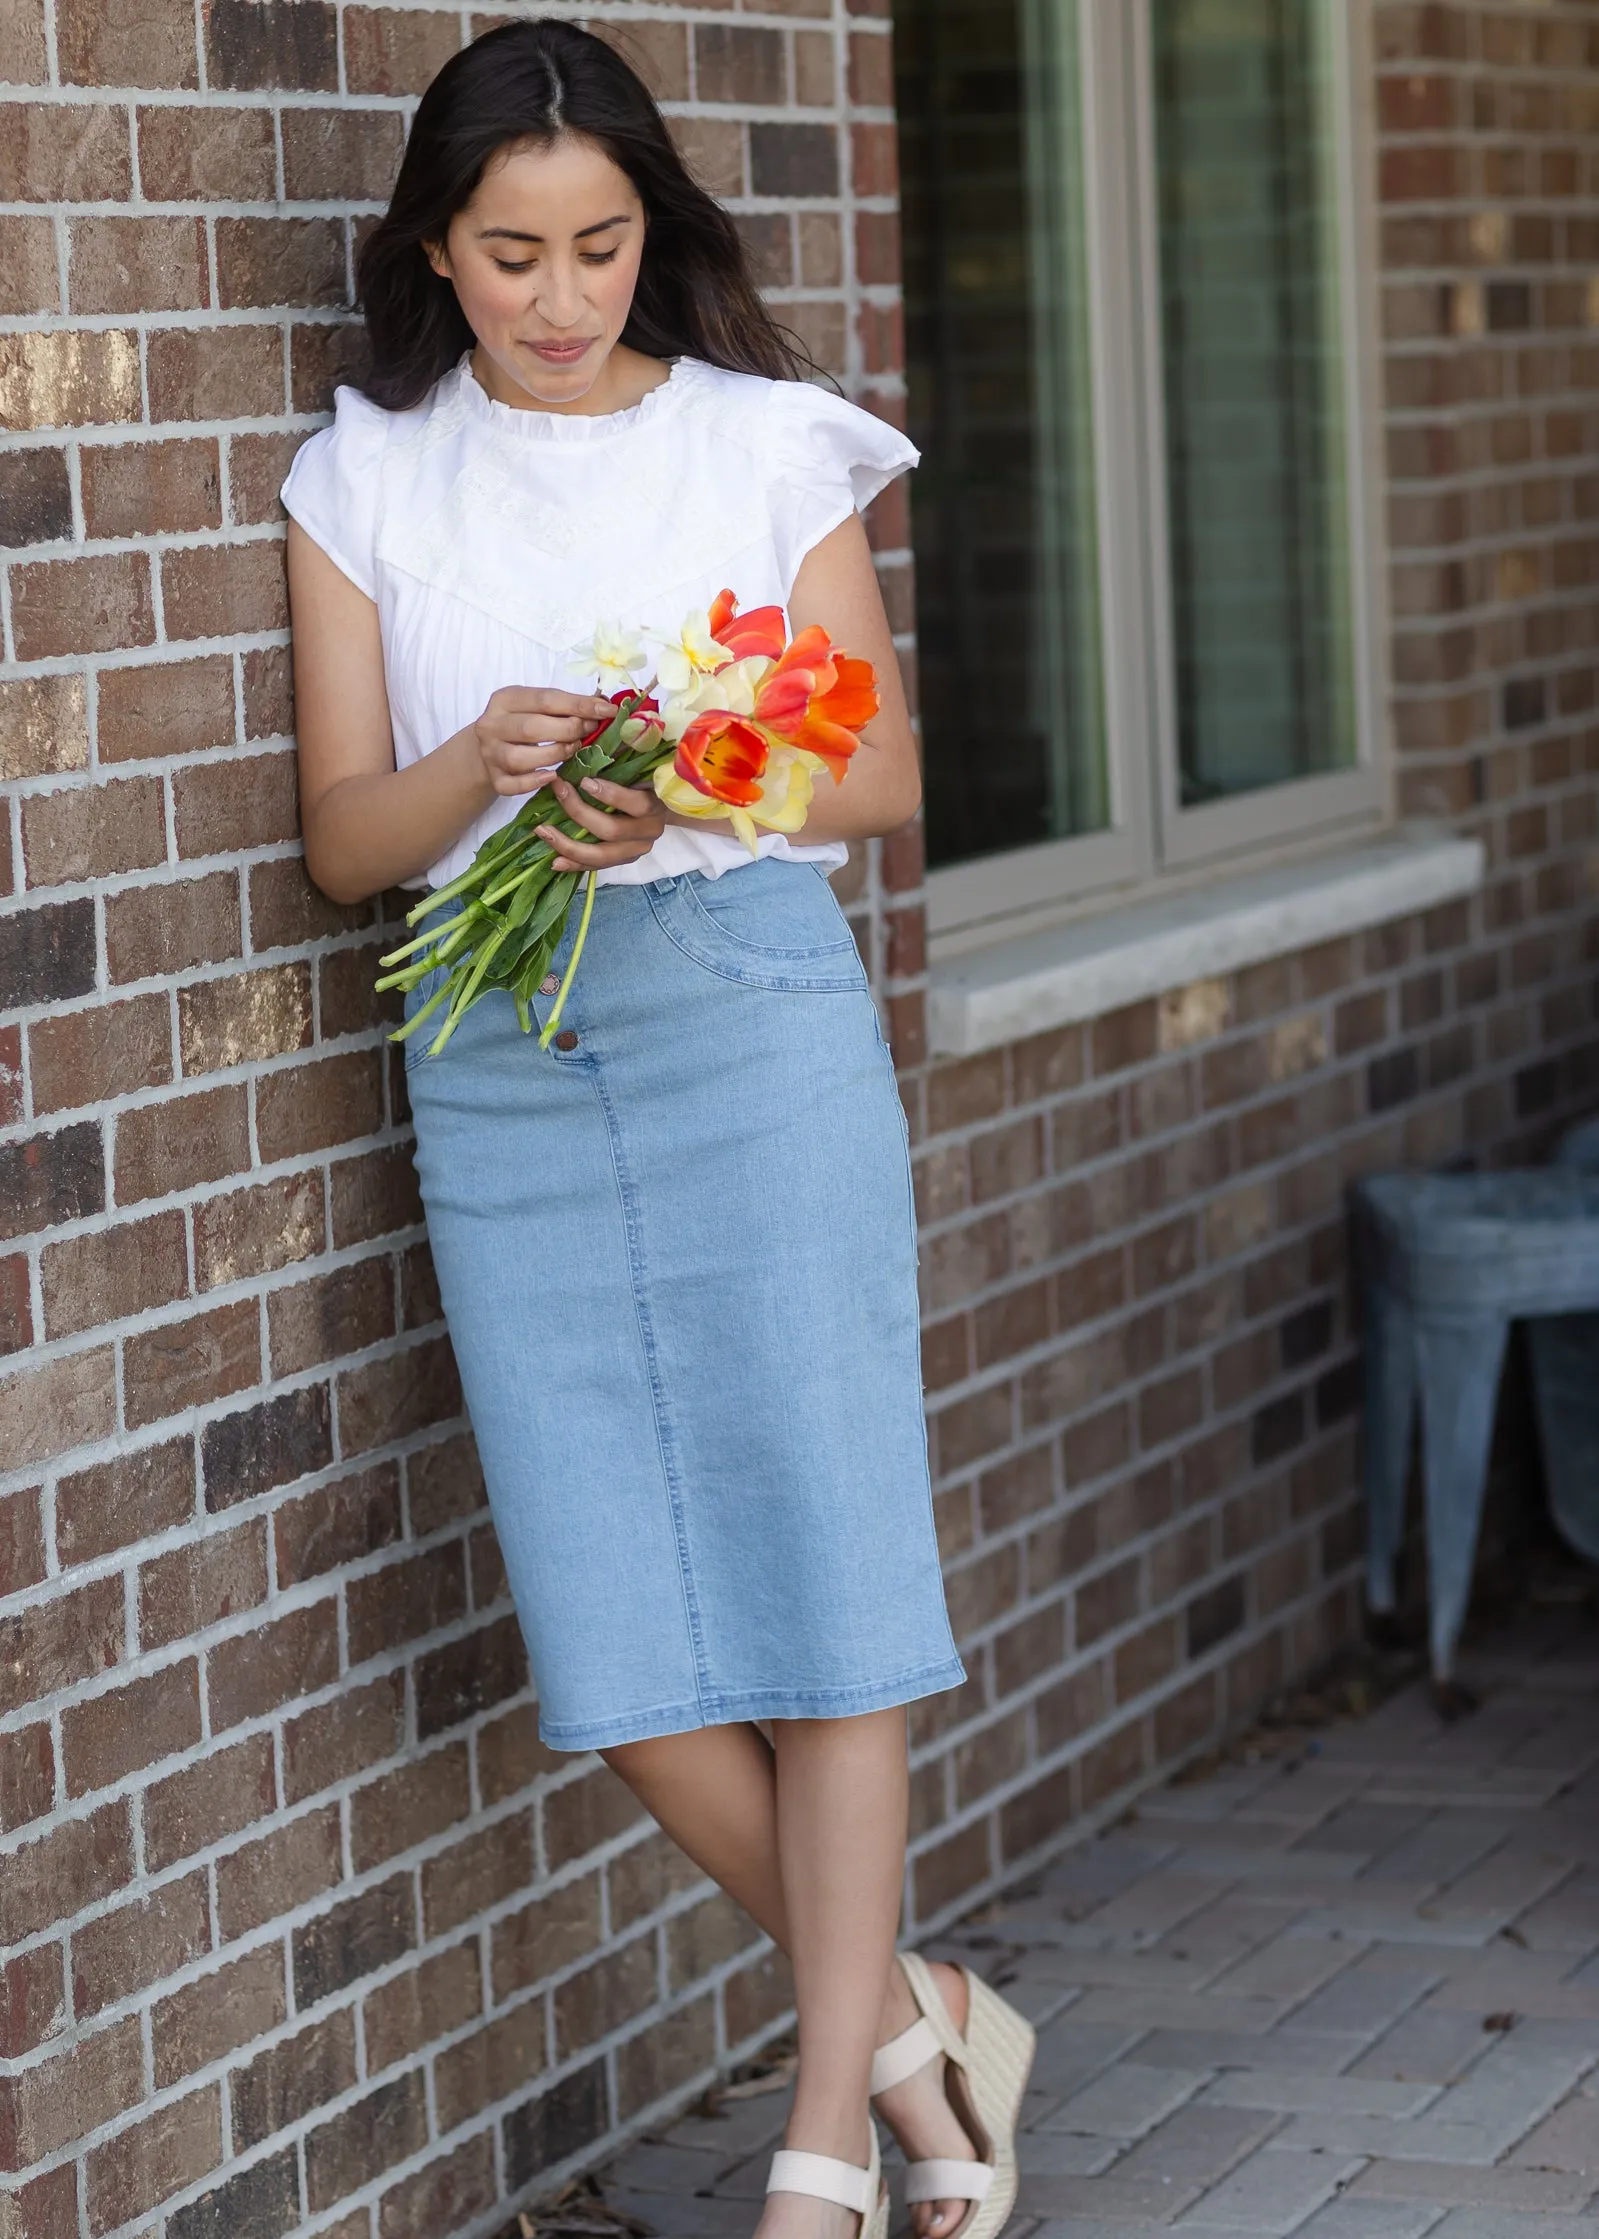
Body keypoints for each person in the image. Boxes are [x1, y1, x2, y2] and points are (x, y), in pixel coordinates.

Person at [282, 22, 1033, 2238]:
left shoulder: (760, 443)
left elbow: (878, 773)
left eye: (599, 243)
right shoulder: (365, 481)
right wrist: (495, 766)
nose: (560, 293)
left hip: (744, 1023)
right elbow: (344, 842)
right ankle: (921, 2024)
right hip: (501, 1063)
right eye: (510, 252)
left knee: (823, 1590)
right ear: (439, 248)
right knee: (617, 1649)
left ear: (649, 235)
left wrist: (690, 780)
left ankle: (832, 2142)